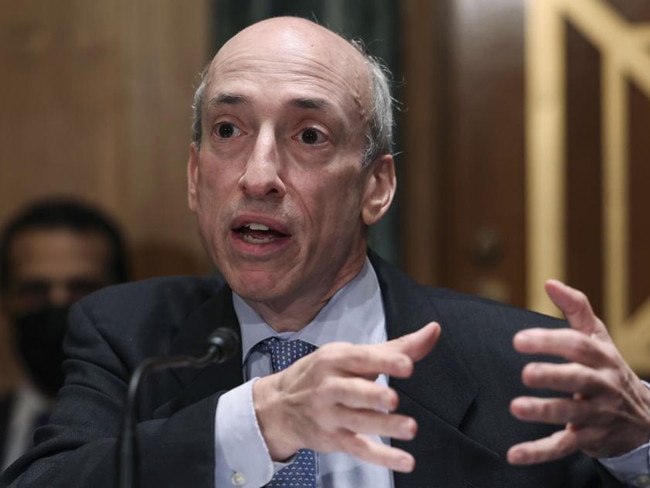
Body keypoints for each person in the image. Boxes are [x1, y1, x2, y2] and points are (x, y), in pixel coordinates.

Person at [1, 16, 649, 488]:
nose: (259, 175)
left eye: (309, 136)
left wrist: (638, 445)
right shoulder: (128, 337)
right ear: (196, 177)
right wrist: (258, 420)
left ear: (376, 185)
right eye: (229, 130)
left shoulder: (516, 364)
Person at [0, 197, 129, 470]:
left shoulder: (158, 436)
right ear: (6, 301)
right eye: (35, 291)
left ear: (123, 295)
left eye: (81, 289)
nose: (59, 305)